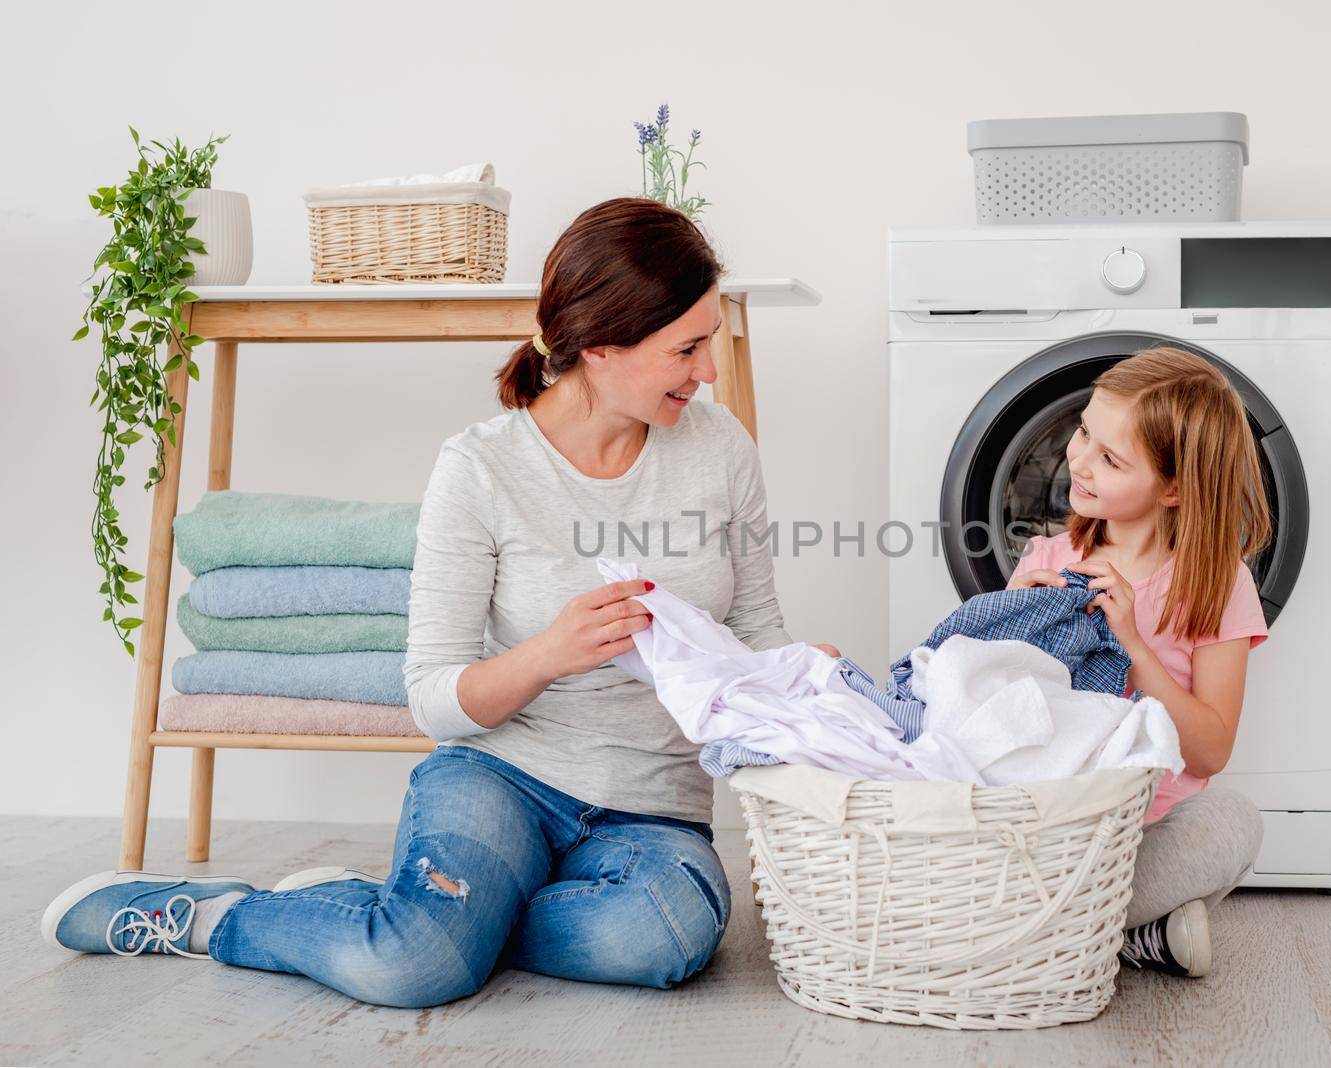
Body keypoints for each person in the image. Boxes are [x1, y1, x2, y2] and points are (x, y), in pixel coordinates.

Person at [43, 197, 839, 1008]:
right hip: (504, 776)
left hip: (654, 810)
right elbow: (431, 698)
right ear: (602, 347)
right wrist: (550, 652)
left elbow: (754, 630)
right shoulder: (481, 469)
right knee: (411, 971)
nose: (708, 371)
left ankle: (428, 912)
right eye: (689, 348)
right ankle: (218, 917)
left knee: (659, 938)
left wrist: (803, 676)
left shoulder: (721, 451)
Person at [1005, 346, 1272, 978]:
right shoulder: (1046, 562)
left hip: (1144, 833)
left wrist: (1134, 645)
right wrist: (1013, 629)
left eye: (1111, 459)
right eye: (1084, 433)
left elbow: (1209, 753)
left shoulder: (1217, 584)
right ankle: (1125, 935)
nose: (1080, 460)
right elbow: (997, 723)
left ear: (1175, 487)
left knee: (1233, 823)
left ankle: (1054, 928)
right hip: (1054, 824)